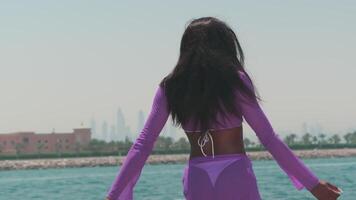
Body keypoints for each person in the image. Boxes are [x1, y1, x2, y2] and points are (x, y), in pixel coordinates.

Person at [105, 17, 342, 200]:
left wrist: (114, 195)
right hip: (234, 172)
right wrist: (313, 185)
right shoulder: (235, 80)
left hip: (198, 176)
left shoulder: (171, 87)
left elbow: (143, 144)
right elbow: (268, 137)